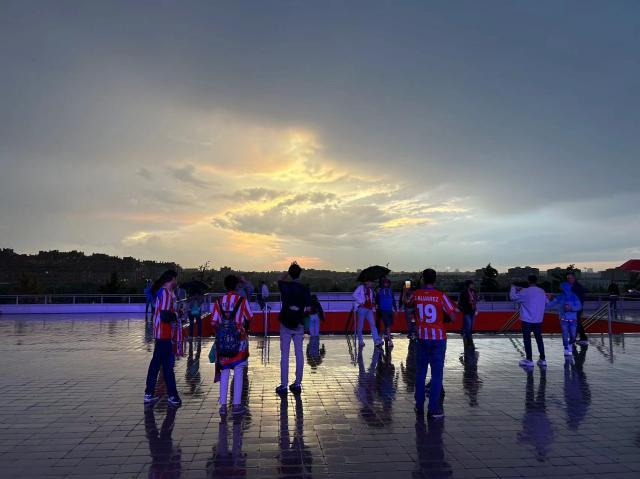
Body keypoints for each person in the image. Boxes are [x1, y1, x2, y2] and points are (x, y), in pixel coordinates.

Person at [413, 268, 458, 419]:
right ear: (435, 279)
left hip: (421, 337)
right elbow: (453, 317)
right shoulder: (440, 296)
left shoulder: (417, 294)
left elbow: (407, 304)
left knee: (420, 373)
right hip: (438, 338)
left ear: (423, 279)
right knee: (437, 374)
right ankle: (433, 409)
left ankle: (419, 405)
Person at [211, 275, 253, 416]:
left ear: (225, 286)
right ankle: (236, 405)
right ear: (236, 286)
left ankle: (223, 406)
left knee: (224, 371)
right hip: (239, 340)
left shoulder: (218, 301)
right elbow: (249, 316)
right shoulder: (242, 300)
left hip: (223, 341)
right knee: (239, 370)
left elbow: (213, 322)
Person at [144, 270, 182, 407]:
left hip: (161, 333)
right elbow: (165, 315)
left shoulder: (164, 292)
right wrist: (177, 315)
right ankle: (172, 396)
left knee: (157, 365)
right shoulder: (165, 293)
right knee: (167, 366)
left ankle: (150, 393)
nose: (176, 281)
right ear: (171, 279)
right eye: (175, 279)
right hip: (164, 333)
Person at [276, 262, 311, 395]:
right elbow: (308, 309)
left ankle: (283, 385)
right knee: (299, 353)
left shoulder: (285, 286)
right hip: (298, 324)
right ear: (300, 274)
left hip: (285, 323)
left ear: (290, 274)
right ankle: (297, 383)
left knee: (284, 355)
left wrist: (287, 273)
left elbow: (279, 279)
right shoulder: (304, 288)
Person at [510, 275, 547, 369]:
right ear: (536, 281)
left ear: (528, 281)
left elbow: (513, 297)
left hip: (527, 319)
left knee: (527, 339)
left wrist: (513, 288)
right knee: (539, 339)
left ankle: (529, 360)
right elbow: (546, 301)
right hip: (538, 319)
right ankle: (543, 359)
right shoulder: (541, 291)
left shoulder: (525, 291)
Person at [547, 282, 582, 356]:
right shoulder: (560, 296)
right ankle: (566, 347)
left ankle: (570, 344)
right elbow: (550, 304)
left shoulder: (574, 296)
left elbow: (579, 306)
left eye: (562, 288)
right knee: (565, 334)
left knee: (573, 335)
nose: (561, 289)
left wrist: (571, 308)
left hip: (573, 319)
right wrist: (547, 299)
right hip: (563, 319)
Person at [353, 279, 383, 348]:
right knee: (360, 325)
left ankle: (376, 341)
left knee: (373, 324)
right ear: (367, 282)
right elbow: (354, 295)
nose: (372, 284)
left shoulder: (370, 290)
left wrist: (373, 305)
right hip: (361, 308)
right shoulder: (361, 287)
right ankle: (360, 340)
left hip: (369, 309)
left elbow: (370, 299)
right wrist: (361, 302)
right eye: (371, 282)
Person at [567, 272, 588, 345]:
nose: (569, 279)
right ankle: (582, 337)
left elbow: (579, 299)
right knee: (577, 322)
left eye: (570, 278)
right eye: (568, 278)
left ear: (574, 278)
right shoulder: (573, 286)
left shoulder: (576, 287)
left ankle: (577, 338)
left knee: (576, 323)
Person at [376, 277, 397, 348]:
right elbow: (377, 300)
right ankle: (390, 341)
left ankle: (380, 337)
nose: (386, 284)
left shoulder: (390, 291)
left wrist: (395, 309)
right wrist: (378, 309)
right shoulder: (380, 291)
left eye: (387, 283)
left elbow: (393, 300)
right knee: (387, 325)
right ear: (383, 283)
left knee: (387, 325)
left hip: (389, 310)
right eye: (385, 283)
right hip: (383, 310)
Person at [458, 280, 478, 348]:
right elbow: (460, 303)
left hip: (472, 311)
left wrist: (475, 303)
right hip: (466, 311)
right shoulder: (463, 293)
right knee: (468, 326)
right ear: (468, 285)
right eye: (472, 284)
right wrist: (464, 308)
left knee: (471, 326)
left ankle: (464, 334)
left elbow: (475, 300)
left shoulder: (474, 292)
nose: (473, 285)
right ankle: (469, 341)